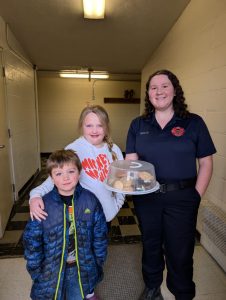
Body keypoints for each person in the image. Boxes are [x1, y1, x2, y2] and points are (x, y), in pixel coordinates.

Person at [125, 69, 216, 300]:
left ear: (175, 90)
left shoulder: (193, 123)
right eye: (153, 87)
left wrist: (196, 195)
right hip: (147, 197)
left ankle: (182, 293)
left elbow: (206, 163)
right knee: (151, 244)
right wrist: (134, 189)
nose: (159, 91)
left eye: (164, 86)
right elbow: (131, 162)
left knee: (181, 250)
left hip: (183, 197)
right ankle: (153, 287)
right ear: (148, 94)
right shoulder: (138, 125)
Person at [29, 105, 125, 300]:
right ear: (81, 126)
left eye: (100, 125)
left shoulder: (113, 150)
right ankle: (65, 287)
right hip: (81, 213)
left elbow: (121, 184)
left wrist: (116, 207)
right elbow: (51, 181)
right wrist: (34, 196)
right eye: (89, 125)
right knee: (75, 252)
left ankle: (88, 290)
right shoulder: (74, 149)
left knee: (94, 255)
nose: (95, 130)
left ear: (106, 127)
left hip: (104, 215)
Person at [23, 149, 108, 300]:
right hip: (50, 270)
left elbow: (100, 235)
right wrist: (36, 271)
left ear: (79, 172)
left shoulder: (90, 200)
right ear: (51, 177)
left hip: (80, 267)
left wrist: (97, 262)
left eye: (71, 171)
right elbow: (32, 243)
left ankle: (89, 292)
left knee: (78, 294)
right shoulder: (42, 205)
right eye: (58, 173)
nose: (66, 178)